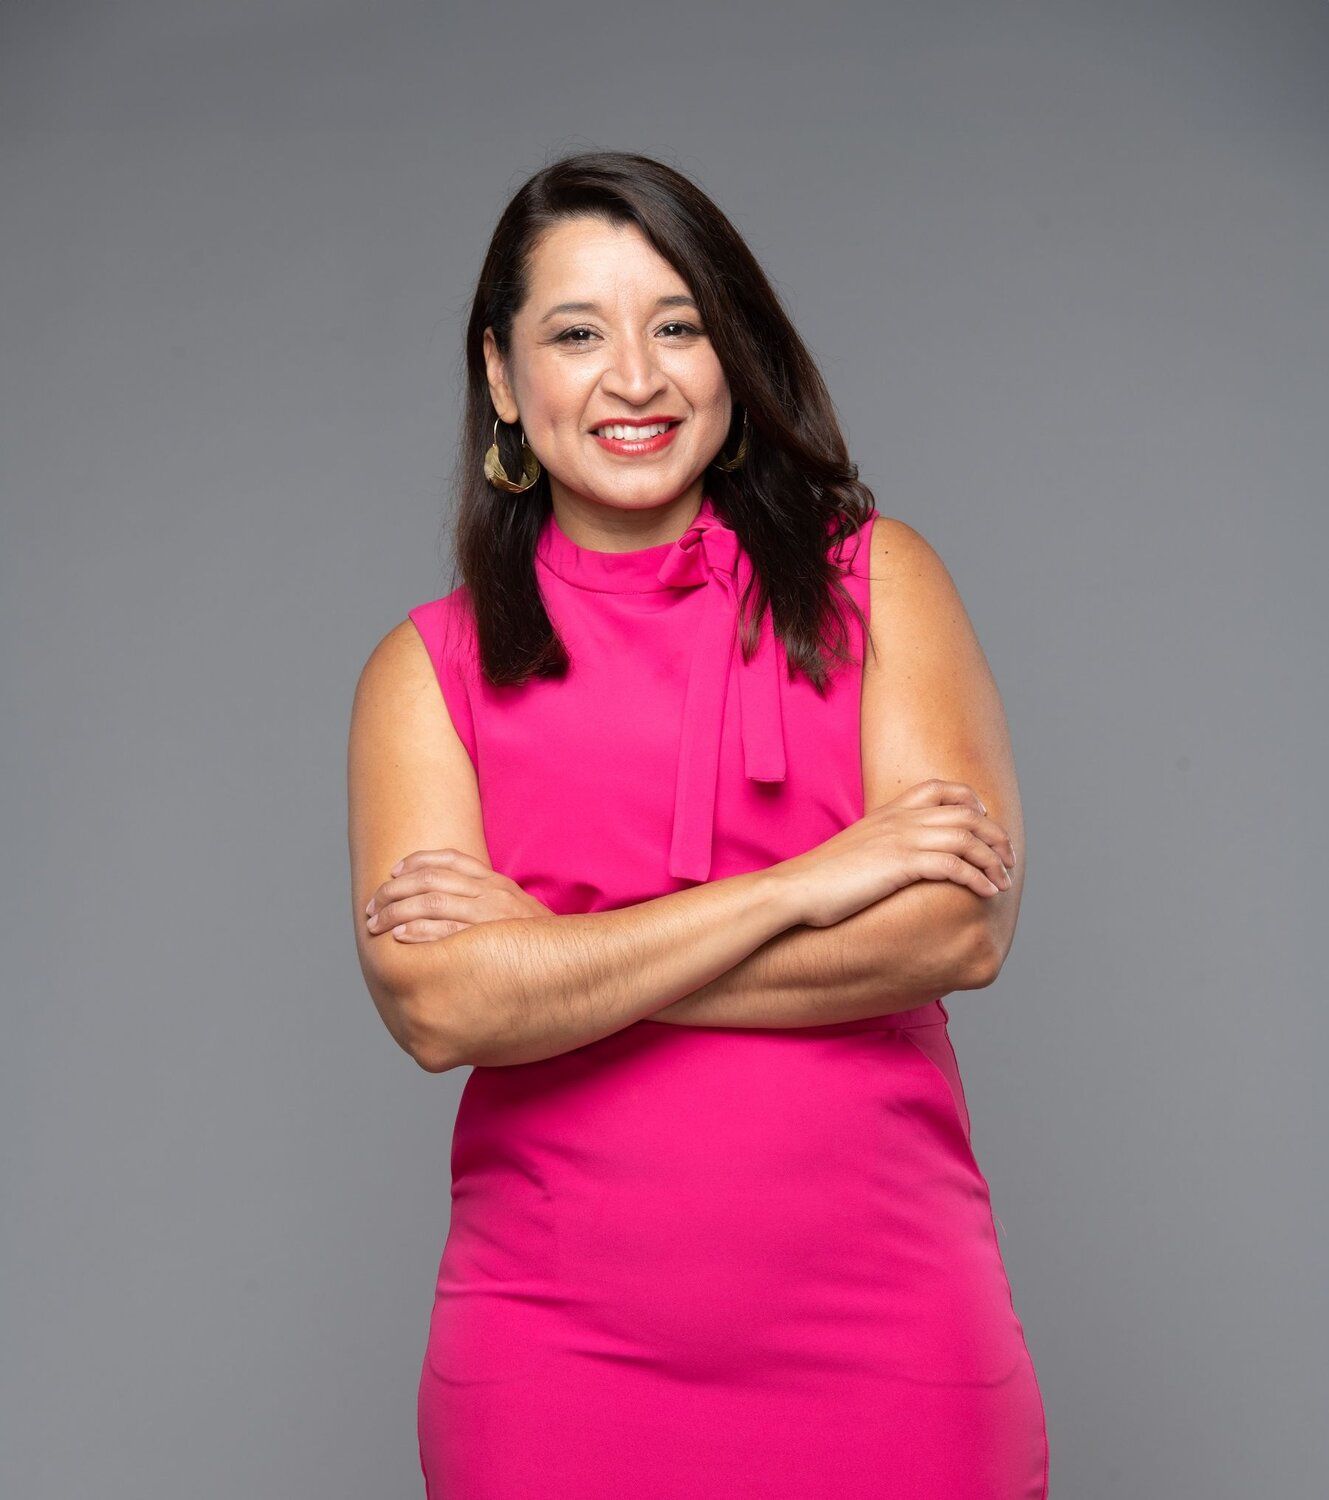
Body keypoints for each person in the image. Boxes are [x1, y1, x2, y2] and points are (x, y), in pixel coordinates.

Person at [347, 150, 1049, 1499]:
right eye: (576, 335)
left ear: (733, 355)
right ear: (502, 377)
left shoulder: (879, 584)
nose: (635, 378)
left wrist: (556, 965)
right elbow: (442, 1008)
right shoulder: (425, 673)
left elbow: (954, 930)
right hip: (551, 1364)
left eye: (677, 325)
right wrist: (804, 884)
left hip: (890, 1337)